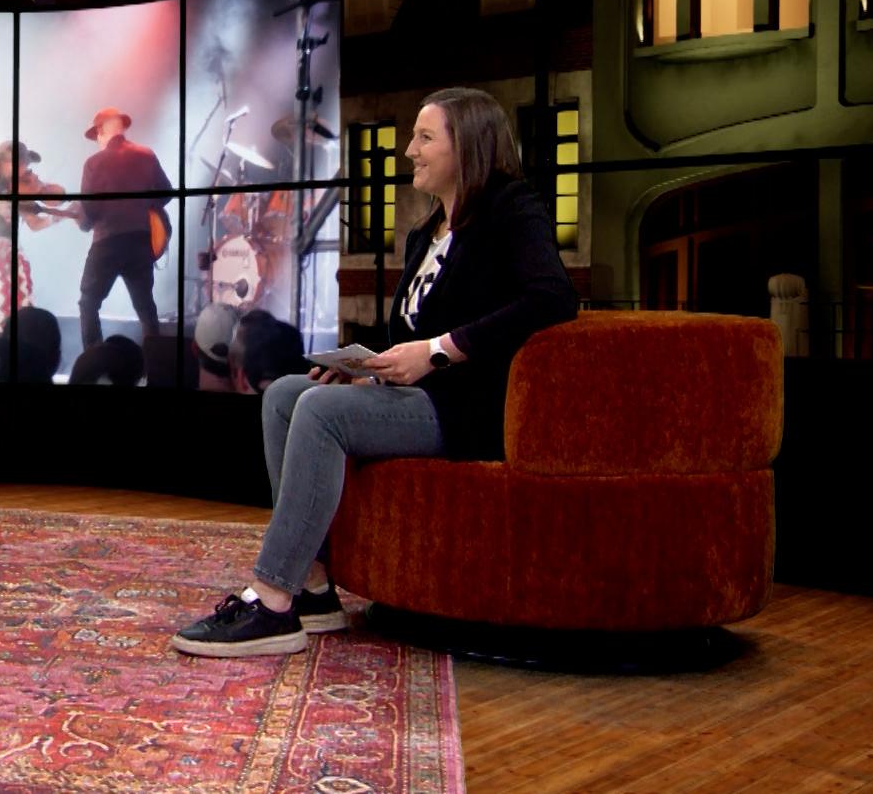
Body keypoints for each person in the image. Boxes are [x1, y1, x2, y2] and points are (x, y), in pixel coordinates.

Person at [171, 87, 577, 658]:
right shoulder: (423, 234)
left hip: (467, 408)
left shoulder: (512, 208)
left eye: (424, 137)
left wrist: (439, 350)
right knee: (288, 394)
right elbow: (406, 339)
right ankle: (313, 589)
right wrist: (367, 367)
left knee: (319, 412)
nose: (409, 149)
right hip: (414, 395)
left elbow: (553, 298)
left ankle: (272, 599)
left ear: (467, 147)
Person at [73, 107, 171, 350]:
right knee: (146, 307)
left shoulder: (94, 163)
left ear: (103, 130)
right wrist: (143, 207)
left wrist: (83, 222)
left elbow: (90, 210)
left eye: (96, 134)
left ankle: (94, 363)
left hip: (108, 242)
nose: (96, 140)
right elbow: (167, 192)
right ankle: (156, 368)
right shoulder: (146, 155)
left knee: (89, 303)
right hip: (141, 241)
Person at [0, 140, 63, 331]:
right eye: (23, 163)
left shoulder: (16, 185)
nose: (25, 168)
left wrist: (55, 218)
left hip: (10, 245)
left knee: (24, 291)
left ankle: (23, 335)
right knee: (0, 292)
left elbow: (34, 223)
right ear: (8, 161)